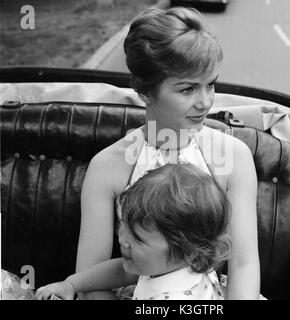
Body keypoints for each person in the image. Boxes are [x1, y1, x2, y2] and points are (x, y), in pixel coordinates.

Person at [76, 6, 260, 300]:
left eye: (210, 85)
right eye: (187, 90)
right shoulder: (107, 166)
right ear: (145, 91)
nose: (205, 102)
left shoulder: (233, 156)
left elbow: (243, 263)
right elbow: (91, 281)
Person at [35, 164, 231, 300]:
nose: (122, 240)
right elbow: (123, 270)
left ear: (189, 251)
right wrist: (71, 285)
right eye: (124, 225)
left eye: (138, 239)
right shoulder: (165, 263)